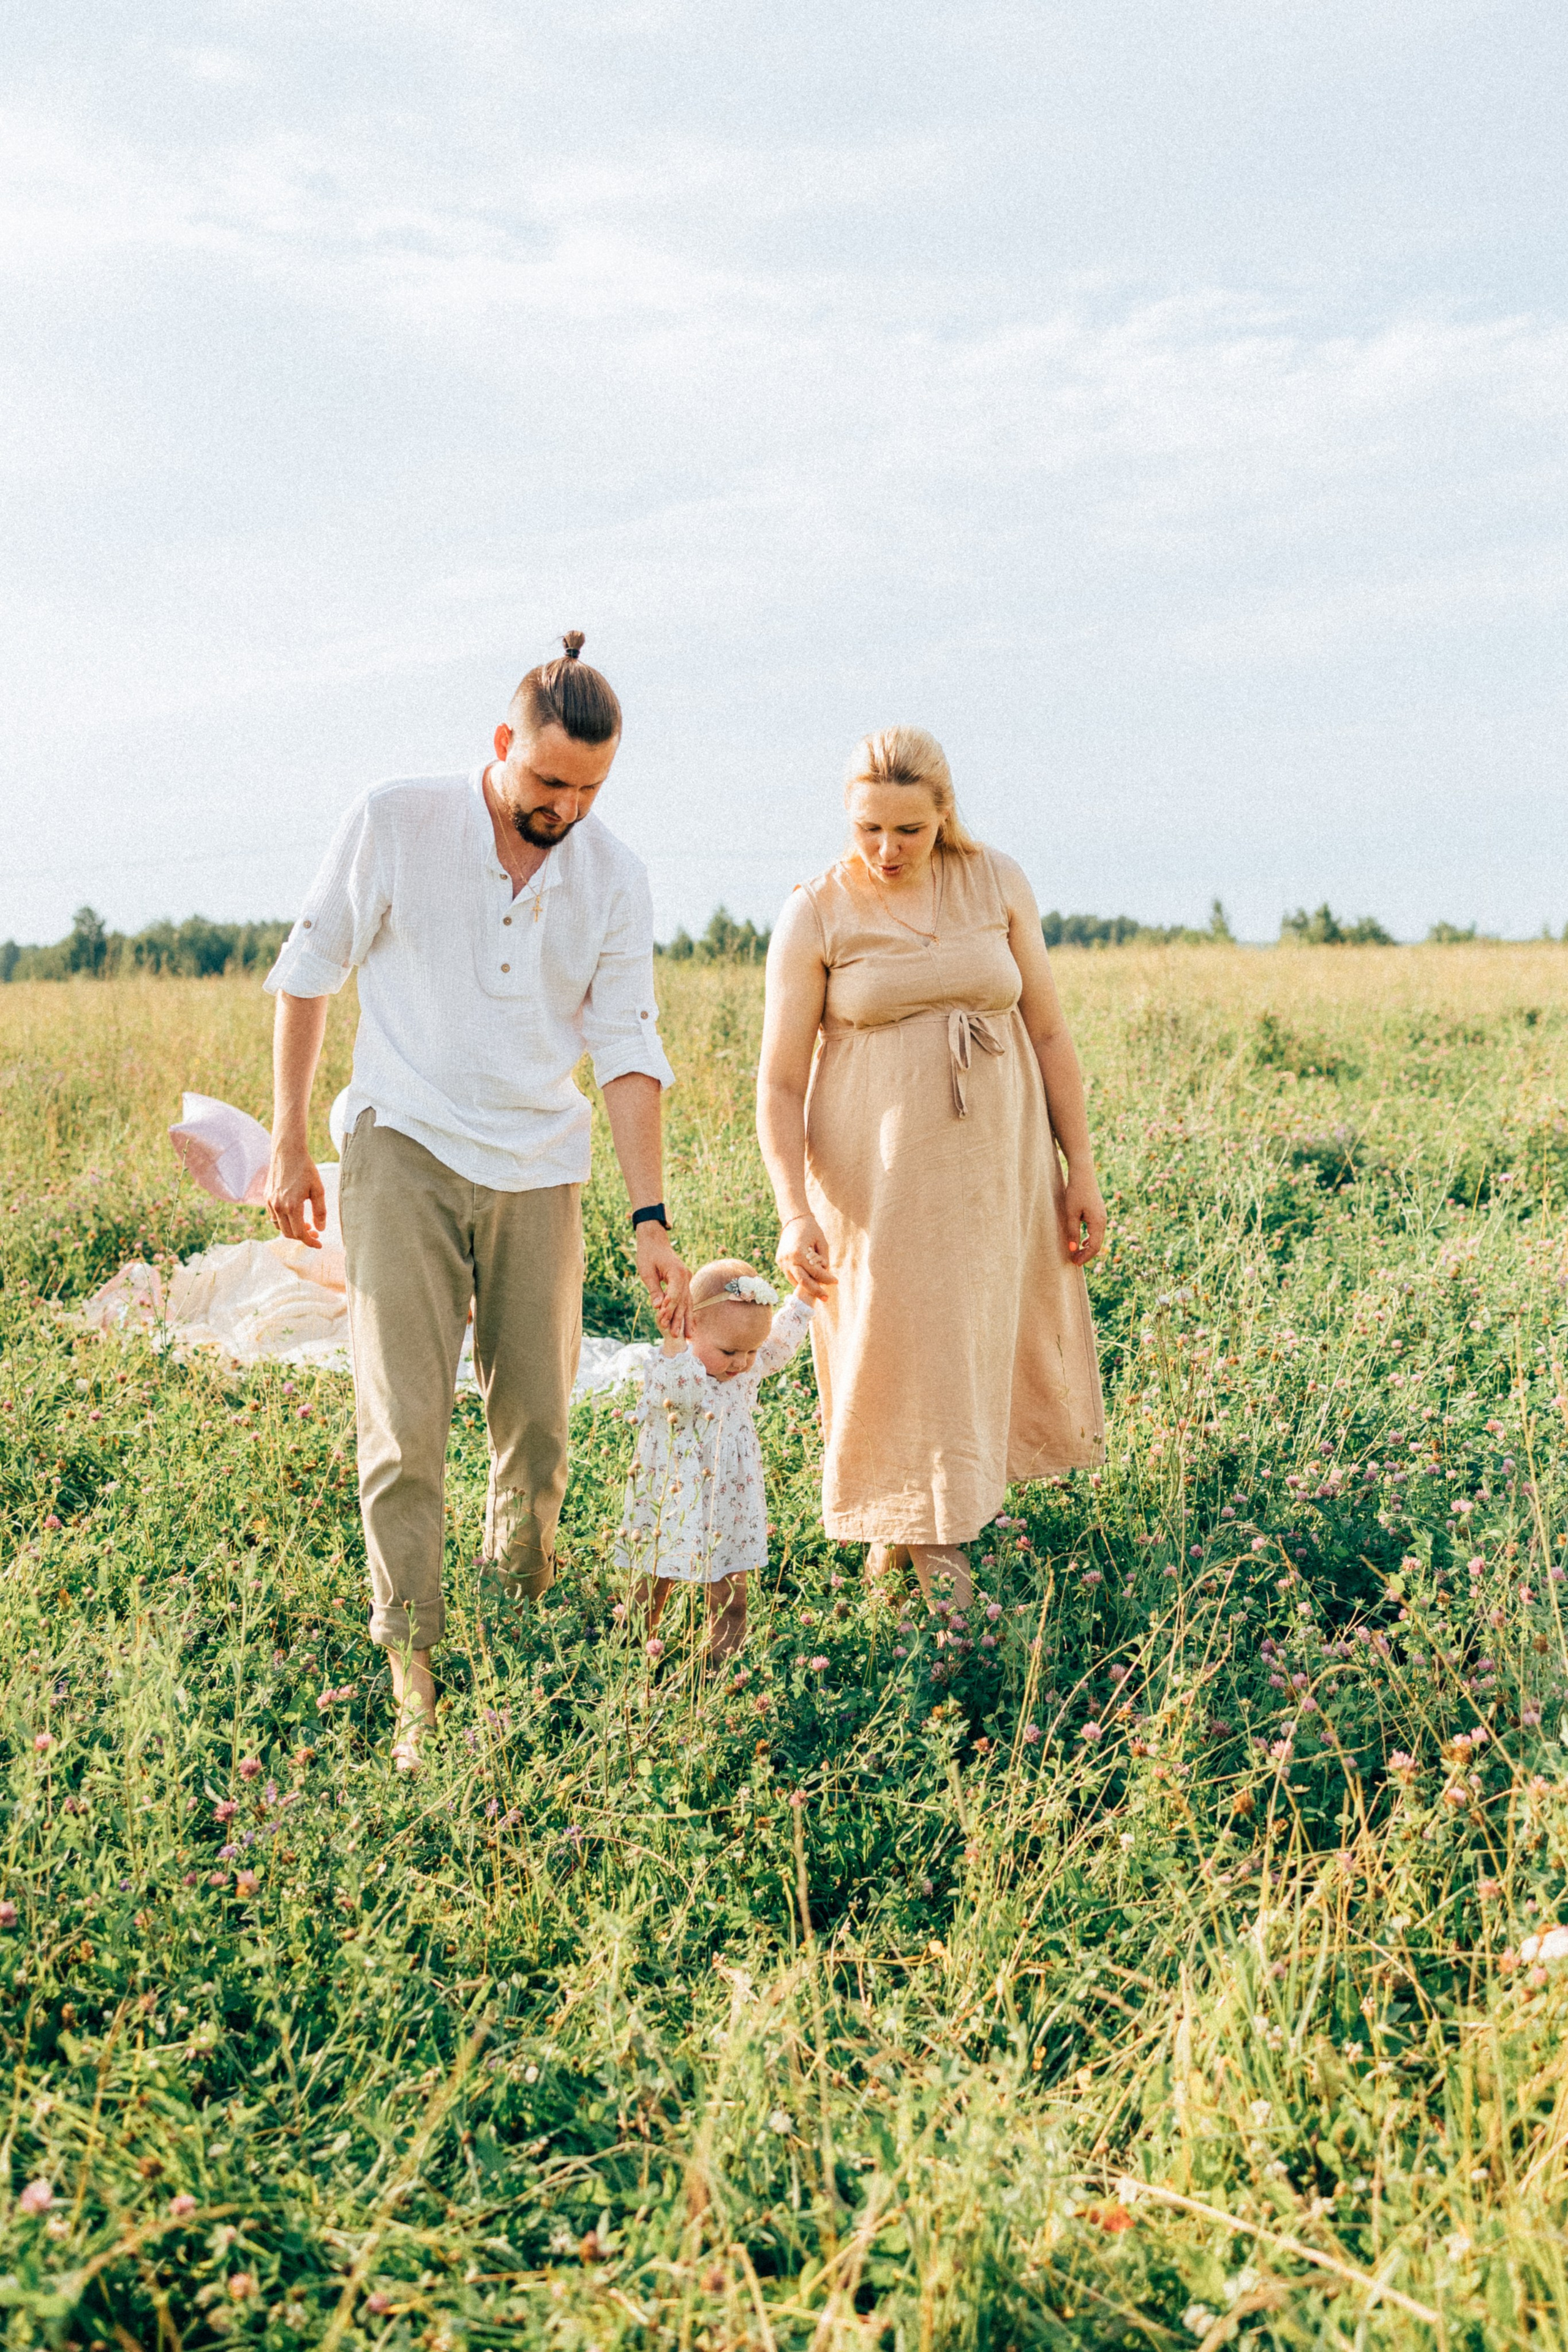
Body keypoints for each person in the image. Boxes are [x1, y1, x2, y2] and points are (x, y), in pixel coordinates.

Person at [263, 634, 690, 1765]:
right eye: (549, 781)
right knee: (405, 1423)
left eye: (590, 789)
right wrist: (291, 1143)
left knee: (538, 1429)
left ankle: (515, 1626)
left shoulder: (615, 876)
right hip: (400, 1139)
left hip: (541, 1166)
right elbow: (310, 973)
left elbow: (628, 1046)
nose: (566, 807)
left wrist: (651, 1220)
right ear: (503, 745)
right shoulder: (398, 819)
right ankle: (415, 1677)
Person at [756, 724, 1106, 1613]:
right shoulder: (818, 910)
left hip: (998, 1169)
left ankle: (892, 1555)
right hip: (876, 1178)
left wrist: (1082, 1170)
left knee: (969, 1343)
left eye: (907, 830)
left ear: (943, 813)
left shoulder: (997, 880)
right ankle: (943, 1566)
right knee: (897, 1349)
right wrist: (794, 1211)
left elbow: (1051, 1033)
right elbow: (782, 1080)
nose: (885, 850)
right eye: (869, 827)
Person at [616, 1261, 813, 1663]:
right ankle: (628, 1659)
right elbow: (675, 1395)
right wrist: (672, 1343)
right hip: (671, 1504)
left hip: (729, 1510)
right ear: (691, 1328)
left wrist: (805, 1297)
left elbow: (779, 1345)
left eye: (750, 1351)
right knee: (650, 1587)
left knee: (730, 1599)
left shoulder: (743, 1369)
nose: (742, 1363)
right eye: (730, 1352)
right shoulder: (677, 1372)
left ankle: (721, 1677)